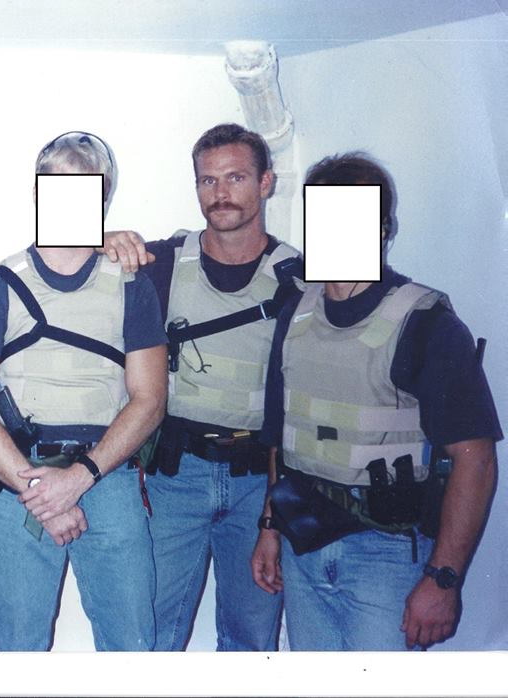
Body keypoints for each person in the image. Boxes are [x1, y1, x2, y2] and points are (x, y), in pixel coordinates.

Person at [251, 152, 500, 650]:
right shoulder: (295, 313)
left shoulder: (426, 323)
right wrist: (269, 528)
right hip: (303, 544)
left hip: (386, 554)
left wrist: (443, 580)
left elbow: (475, 460)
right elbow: (282, 437)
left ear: (384, 228)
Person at [0, 131, 167, 651]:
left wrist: (79, 478)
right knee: (18, 651)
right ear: (36, 192)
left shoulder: (132, 285)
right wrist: (42, 491)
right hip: (18, 484)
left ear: (104, 198)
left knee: (131, 649)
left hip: (107, 481)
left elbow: (149, 400)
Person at [101, 123, 295, 650]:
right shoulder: (163, 262)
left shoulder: (298, 278)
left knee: (251, 641)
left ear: (266, 183)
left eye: (235, 177)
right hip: (174, 476)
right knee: (150, 636)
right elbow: (67, 267)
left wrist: (275, 513)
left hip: (260, 484)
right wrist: (105, 239)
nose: (220, 193)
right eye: (208, 180)